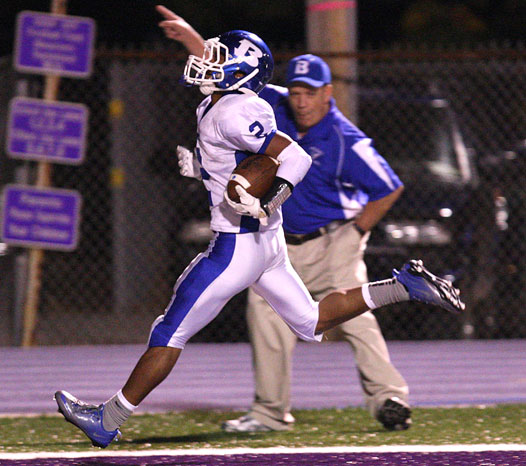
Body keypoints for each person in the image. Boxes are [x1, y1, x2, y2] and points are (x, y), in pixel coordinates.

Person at [54, 25, 464, 449]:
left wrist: (269, 201)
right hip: (268, 243)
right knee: (311, 321)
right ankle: (402, 287)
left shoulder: (231, 110)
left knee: (169, 332)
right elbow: (243, 160)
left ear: (240, 72)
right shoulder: (229, 102)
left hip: (237, 245)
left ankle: (107, 419)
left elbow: (293, 156)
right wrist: (202, 168)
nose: (207, 62)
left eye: (219, 58)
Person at [158, 6, 412, 432]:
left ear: (328, 93)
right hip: (277, 241)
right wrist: (191, 40)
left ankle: (390, 398)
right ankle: (270, 412)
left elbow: (390, 187)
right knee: (265, 317)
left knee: (356, 319)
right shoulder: (270, 102)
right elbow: (228, 69)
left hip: (332, 242)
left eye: (311, 92)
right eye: (296, 90)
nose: (301, 100)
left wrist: (357, 232)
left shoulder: (346, 139)